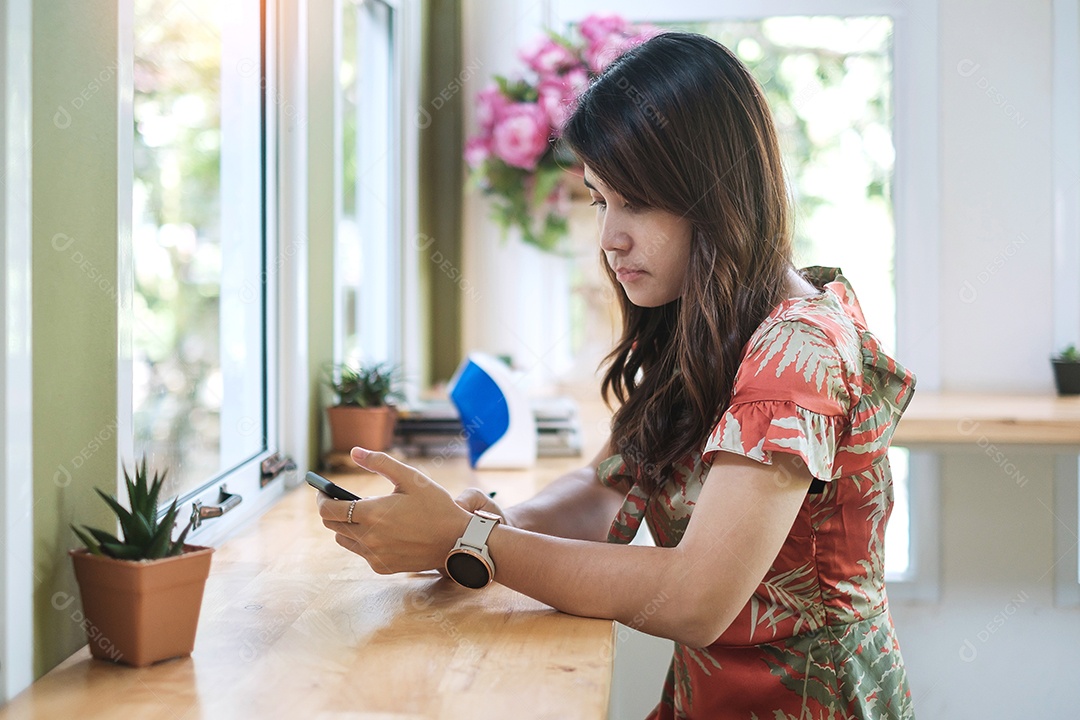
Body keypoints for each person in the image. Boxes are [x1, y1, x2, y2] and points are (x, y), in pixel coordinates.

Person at [318, 31, 916, 719]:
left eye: (637, 201)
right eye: (601, 199)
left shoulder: (797, 351)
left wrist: (471, 543)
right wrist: (483, 521)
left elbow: (696, 598)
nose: (608, 238)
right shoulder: (708, 315)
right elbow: (609, 488)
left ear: (715, 194)